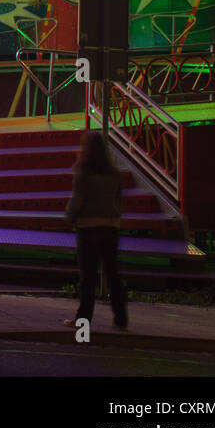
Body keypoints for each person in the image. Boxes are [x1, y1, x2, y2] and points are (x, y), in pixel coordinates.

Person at [65, 131, 127, 331]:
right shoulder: (114, 173)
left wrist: (70, 216)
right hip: (110, 227)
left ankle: (84, 320)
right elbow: (119, 200)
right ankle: (121, 318)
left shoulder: (83, 170)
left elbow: (78, 199)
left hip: (88, 228)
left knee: (88, 279)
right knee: (113, 275)